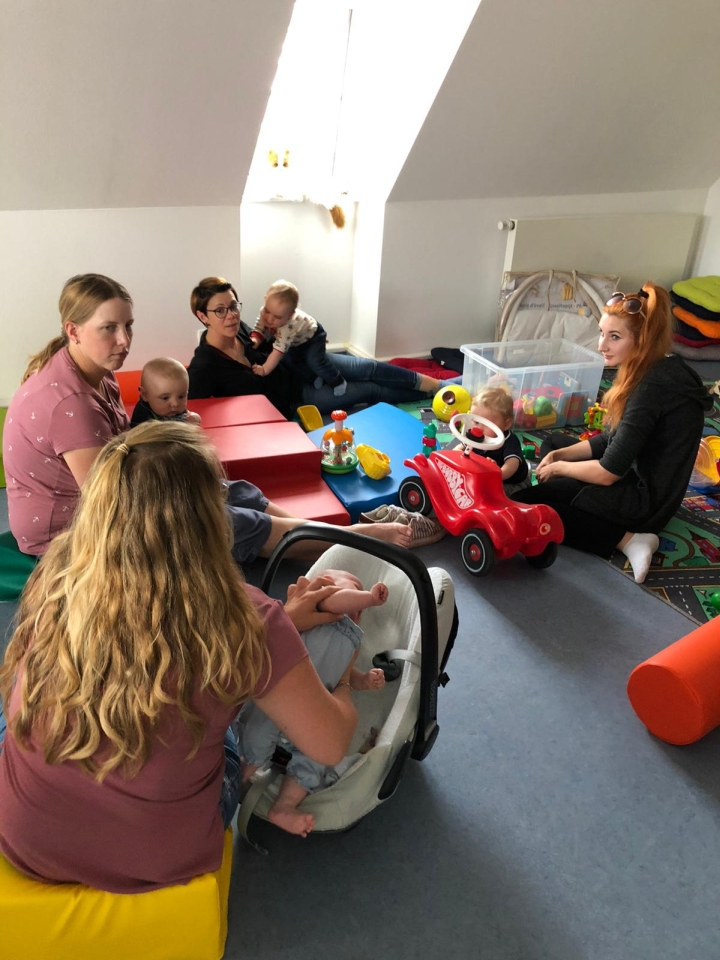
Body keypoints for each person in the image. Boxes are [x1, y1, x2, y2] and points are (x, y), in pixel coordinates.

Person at [0, 422, 359, 892]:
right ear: (211, 518)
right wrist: (344, 676)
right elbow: (330, 745)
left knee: (33, 707)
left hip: (24, 837)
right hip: (156, 858)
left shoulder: (58, 573)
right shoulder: (244, 615)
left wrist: (278, 629)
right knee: (226, 725)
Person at [512, 283, 714, 583]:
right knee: (554, 443)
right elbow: (614, 439)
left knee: (530, 504)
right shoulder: (656, 366)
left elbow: (609, 472)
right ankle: (575, 495)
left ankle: (627, 539)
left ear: (642, 340)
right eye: (602, 333)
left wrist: (559, 468)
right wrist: (560, 456)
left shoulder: (651, 387)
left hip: (645, 501)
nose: (601, 345)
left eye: (615, 337)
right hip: (639, 473)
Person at [235, 569, 388, 838]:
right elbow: (337, 600)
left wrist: (364, 681)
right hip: (283, 700)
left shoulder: (350, 640)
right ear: (323, 584)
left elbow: (345, 674)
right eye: (351, 584)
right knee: (259, 728)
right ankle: (241, 776)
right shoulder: (323, 609)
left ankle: (284, 806)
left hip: (317, 714)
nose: (353, 591)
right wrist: (370, 597)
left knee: (314, 761)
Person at [186, 276, 450, 417]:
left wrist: (310, 337)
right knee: (370, 389)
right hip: (299, 397)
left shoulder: (242, 329)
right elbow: (191, 412)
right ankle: (437, 395)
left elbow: (278, 331)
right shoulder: (205, 364)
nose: (231, 315)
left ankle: (441, 386)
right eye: (220, 310)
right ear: (202, 316)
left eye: (233, 306)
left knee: (369, 368)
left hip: (300, 363)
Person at [3, 273, 133, 555]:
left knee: (221, 499)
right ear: (73, 332)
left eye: (128, 325)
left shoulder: (99, 370)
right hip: (62, 538)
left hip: (91, 512)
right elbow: (109, 500)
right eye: (109, 328)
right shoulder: (72, 404)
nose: (124, 340)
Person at [250, 280, 347, 396]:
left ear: (290, 315)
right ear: (265, 300)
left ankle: (338, 380)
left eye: (277, 317)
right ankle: (314, 377)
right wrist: (255, 339)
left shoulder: (288, 327)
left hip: (313, 337)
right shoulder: (265, 312)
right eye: (267, 311)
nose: (269, 319)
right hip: (295, 340)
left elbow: (277, 353)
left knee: (315, 361)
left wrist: (264, 370)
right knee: (289, 360)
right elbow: (260, 327)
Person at [454, 385, 531, 495]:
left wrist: (497, 473)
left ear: (506, 424)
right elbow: (459, 448)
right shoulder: (474, 434)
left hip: (511, 481)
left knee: (495, 496)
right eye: (476, 422)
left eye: (486, 424)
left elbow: (512, 465)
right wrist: (457, 457)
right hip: (483, 476)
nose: (478, 428)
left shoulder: (509, 441)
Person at [130, 357, 202, 426]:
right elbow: (138, 433)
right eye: (165, 398)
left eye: (181, 397)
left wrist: (194, 418)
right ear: (145, 395)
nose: (175, 404)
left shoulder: (177, 409)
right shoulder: (143, 413)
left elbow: (188, 418)